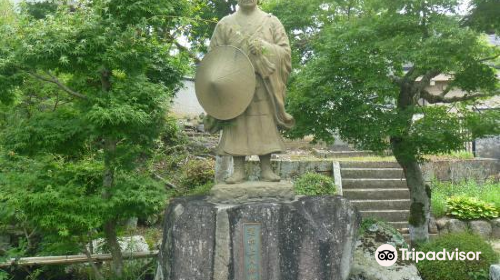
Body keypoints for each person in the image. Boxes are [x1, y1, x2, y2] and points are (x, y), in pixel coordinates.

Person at [208, 0, 294, 184]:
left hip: (263, 84)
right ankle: (238, 170)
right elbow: (213, 57)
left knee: (265, 124)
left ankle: (266, 168)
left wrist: (265, 48)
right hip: (235, 86)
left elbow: (285, 54)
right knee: (236, 125)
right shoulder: (225, 24)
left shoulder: (272, 22)